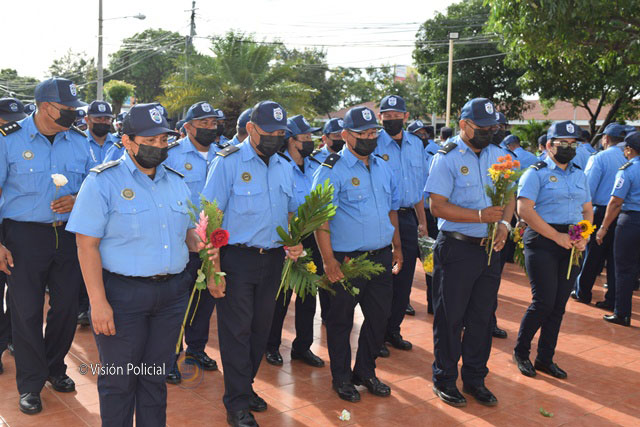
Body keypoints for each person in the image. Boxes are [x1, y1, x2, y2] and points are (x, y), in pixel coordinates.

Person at [66, 103, 198, 426]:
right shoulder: (102, 183)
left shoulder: (177, 182)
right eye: (149, 141)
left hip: (171, 295)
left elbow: (189, 235)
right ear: (126, 141)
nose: (158, 147)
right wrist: (97, 303)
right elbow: (86, 245)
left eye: (163, 141)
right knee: (119, 381)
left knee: (154, 378)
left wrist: (206, 242)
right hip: (123, 297)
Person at [201, 100, 303, 427]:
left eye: (281, 132)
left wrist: (294, 238)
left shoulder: (284, 165)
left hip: (272, 260)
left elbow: (289, 212)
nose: (276, 137)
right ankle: (236, 404)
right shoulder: (227, 163)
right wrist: (212, 270)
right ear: (250, 129)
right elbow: (210, 220)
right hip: (237, 258)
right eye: (269, 131)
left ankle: (245, 387)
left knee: (261, 330)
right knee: (237, 332)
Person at [0, 77, 93, 415]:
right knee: (25, 313)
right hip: (23, 235)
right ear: (45, 106)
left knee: (67, 308)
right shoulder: (8, 140)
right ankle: (30, 383)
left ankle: (55, 368)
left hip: (68, 235)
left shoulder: (78, 140)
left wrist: (77, 198)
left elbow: (92, 186)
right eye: (67, 108)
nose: (73, 113)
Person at [425, 97, 514, 407]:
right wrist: (479, 217)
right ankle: (445, 379)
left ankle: (475, 378)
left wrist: (503, 222)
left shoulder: (499, 155)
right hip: (457, 247)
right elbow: (437, 206)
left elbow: (511, 192)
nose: (489, 132)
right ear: (463, 125)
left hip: (490, 249)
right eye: (482, 128)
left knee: (481, 319)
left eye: (493, 127)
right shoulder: (446, 157)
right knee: (451, 317)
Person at [312, 105, 402, 403]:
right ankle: (341, 378)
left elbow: (391, 210)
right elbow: (320, 218)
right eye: (362, 133)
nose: (369, 137)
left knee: (379, 318)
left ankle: (365, 371)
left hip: (380, 257)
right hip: (345, 260)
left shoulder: (383, 166)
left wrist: (397, 246)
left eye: (373, 132)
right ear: (345, 135)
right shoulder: (331, 169)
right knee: (340, 321)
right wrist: (328, 260)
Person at [513, 120, 592, 380]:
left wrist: (581, 237)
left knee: (559, 305)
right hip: (542, 239)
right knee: (543, 301)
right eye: (562, 144)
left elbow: (587, 210)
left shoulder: (579, 174)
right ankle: (521, 352)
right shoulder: (535, 172)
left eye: (573, 144)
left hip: (570, 239)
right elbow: (524, 210)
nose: (569, 148)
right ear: (549, 145)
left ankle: (545, 358)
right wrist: (556, 236)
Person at [164, 101, 221, 384]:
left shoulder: (223, 156)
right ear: (187, 127)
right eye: (204, 124)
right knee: (178, 301)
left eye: (213, 123)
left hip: (214, 243)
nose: (210, 128)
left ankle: (197, 349)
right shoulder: (172, 155)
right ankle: (171, 356)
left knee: (205, 300)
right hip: (182, 242)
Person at [265, 114, 325, 368]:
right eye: (305, 137)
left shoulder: (317, 166)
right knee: (280, 297)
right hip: (286, 239)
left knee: (308, 295)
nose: (310, 141)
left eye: (311, 137)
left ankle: (303, 347)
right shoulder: (278, 165)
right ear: (290, 140)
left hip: (312, 239)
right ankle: (271, 345)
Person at [374, 95, 428, 357]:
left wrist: (423, 223)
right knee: (383, 279)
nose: (392, 119)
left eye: (397, 115)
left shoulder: (416, 144)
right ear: (380, 116)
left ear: (406, 117)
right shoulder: (372, 143)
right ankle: (376, 334)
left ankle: (393, 330)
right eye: (387, 115)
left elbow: (418, 189)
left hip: (408, 219)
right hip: (381, 217)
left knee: (404, 279)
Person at [572, 123, 628, 309]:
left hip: (600, 210)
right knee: (615, 258)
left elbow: (588, 190)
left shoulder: (601, 158)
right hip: (625, 213)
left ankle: (583, 292)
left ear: (605, 138)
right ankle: (612, 298)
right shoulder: (633, 158)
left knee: (591, 255)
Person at [595, 131, 640, 327]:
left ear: (629, 150)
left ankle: (622, 313)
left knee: (624, 268)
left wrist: (603, 227)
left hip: (630, 221)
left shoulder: (628, 170)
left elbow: (615, 202)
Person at [0, 97, 25, 374]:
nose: (11, 123)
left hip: (16, 225)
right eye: (6, 118)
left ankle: (14, 338)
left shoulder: (19, 143)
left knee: (20, 293)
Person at [313, 117, 345, 322]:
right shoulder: (317, 160)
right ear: (325, 138)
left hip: (342, 228)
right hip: (319, 226)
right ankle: (327, 314)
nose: (339, 139)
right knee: (325, 276)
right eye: (335, 136)